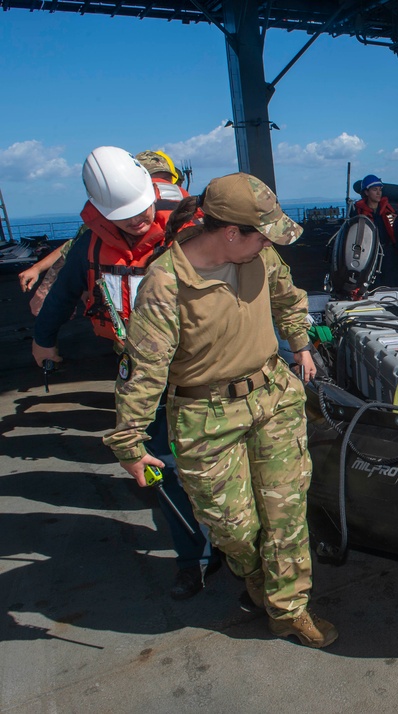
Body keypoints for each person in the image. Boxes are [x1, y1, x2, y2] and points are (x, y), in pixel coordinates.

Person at [103, 172, 337, 648]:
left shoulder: (263, 256)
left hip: (272, 398)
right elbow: (145, 368)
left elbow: (288, 299)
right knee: (235, 527)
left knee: (286, 515)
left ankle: (289, 610)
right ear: (230, 232)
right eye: (261, 235)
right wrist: (129, 442)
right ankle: (258, 581)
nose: (269, 245)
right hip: (206, 417)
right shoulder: (166, 284)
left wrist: (302, 345)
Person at [31, 146, 218, 600]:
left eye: (142, 211)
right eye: (125, 216)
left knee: (217, 459)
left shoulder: (190, 226)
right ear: (100, 211)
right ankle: (191, 557)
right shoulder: (90, 243)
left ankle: (234, 542)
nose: (138, 221)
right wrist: (43, 337)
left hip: (199, 366)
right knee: (160, 467)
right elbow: (63, 292)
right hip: (139, 371)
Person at [20, 149, 189, 313]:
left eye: (166, 180)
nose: (160, 187)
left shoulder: (187, 217)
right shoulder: (104, 225)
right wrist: (42, 284)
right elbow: (71, 250)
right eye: (154, 180)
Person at [349, 173, 398, 286]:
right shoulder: (357, 212)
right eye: (375, 190)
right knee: (372, 283)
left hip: (388, 252)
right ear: (366, 192)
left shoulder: (389, 209)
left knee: (392, 282)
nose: (379, 193)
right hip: (369, 253)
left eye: (380, 189)